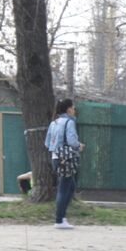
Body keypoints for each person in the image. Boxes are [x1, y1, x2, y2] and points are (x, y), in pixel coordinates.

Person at [44, 98, 84, 229]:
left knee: (70, 186)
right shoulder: (69, 122)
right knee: (64, 187)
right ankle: (59, 219)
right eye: (73, 107)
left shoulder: (54, 123)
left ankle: (62, 218)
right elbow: (72, 142)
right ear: (68, 109)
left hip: (56, 158)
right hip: (67, 159)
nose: (74, 110)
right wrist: (79, 146)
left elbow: (47, 143)